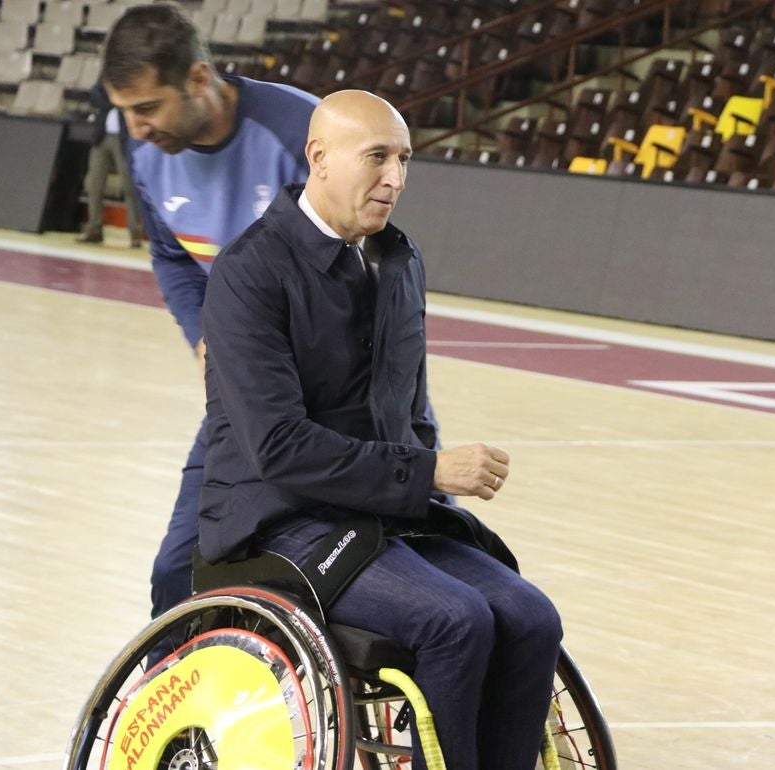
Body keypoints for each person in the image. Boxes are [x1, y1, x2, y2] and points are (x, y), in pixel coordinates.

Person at [199, 90, 562, 770]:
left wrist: (434, 495)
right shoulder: (251, 271)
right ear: (320, 158)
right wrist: (427, 474)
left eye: (404, 160)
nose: (394, 178)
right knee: (455, 620)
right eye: (376, 158)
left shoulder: (398, 261)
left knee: (532, 615)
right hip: (278, 521)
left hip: (383, 514)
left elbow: (411, 412)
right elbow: (278, 447)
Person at [98, 3, 320, 618]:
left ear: (199, 79)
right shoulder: (143, 147)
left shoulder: (301, 131)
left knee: (431, 551)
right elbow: (171, 256)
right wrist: (205, 334)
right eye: (125, 113)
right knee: (177, 571)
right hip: (248, 393)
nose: (137, 128)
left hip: (347, 391)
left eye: (147, 108)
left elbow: (369, 273)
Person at [76, 83, 143, 247]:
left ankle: (135, 233)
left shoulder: (130, 73)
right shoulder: (107, 73)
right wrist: (115, 101)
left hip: (124, 138)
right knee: (94, 184)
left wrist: (117, 100)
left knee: (129, 186)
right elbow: (94, 94)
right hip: (102, 136)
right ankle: (94, 229)